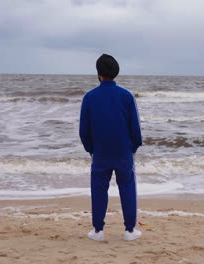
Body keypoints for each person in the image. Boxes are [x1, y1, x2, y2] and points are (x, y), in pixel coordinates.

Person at [79, 54, 143, 241]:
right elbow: (135, 128)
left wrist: (91, 149)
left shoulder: (89, 97)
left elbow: (84, 130)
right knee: (127, 188)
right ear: (116, 73)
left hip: (100, 152)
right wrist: (133, 148)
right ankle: (130, 231)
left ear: (99, 74)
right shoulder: (126, 96)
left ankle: (98, 231)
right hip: (123, 152)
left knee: (99, 189)